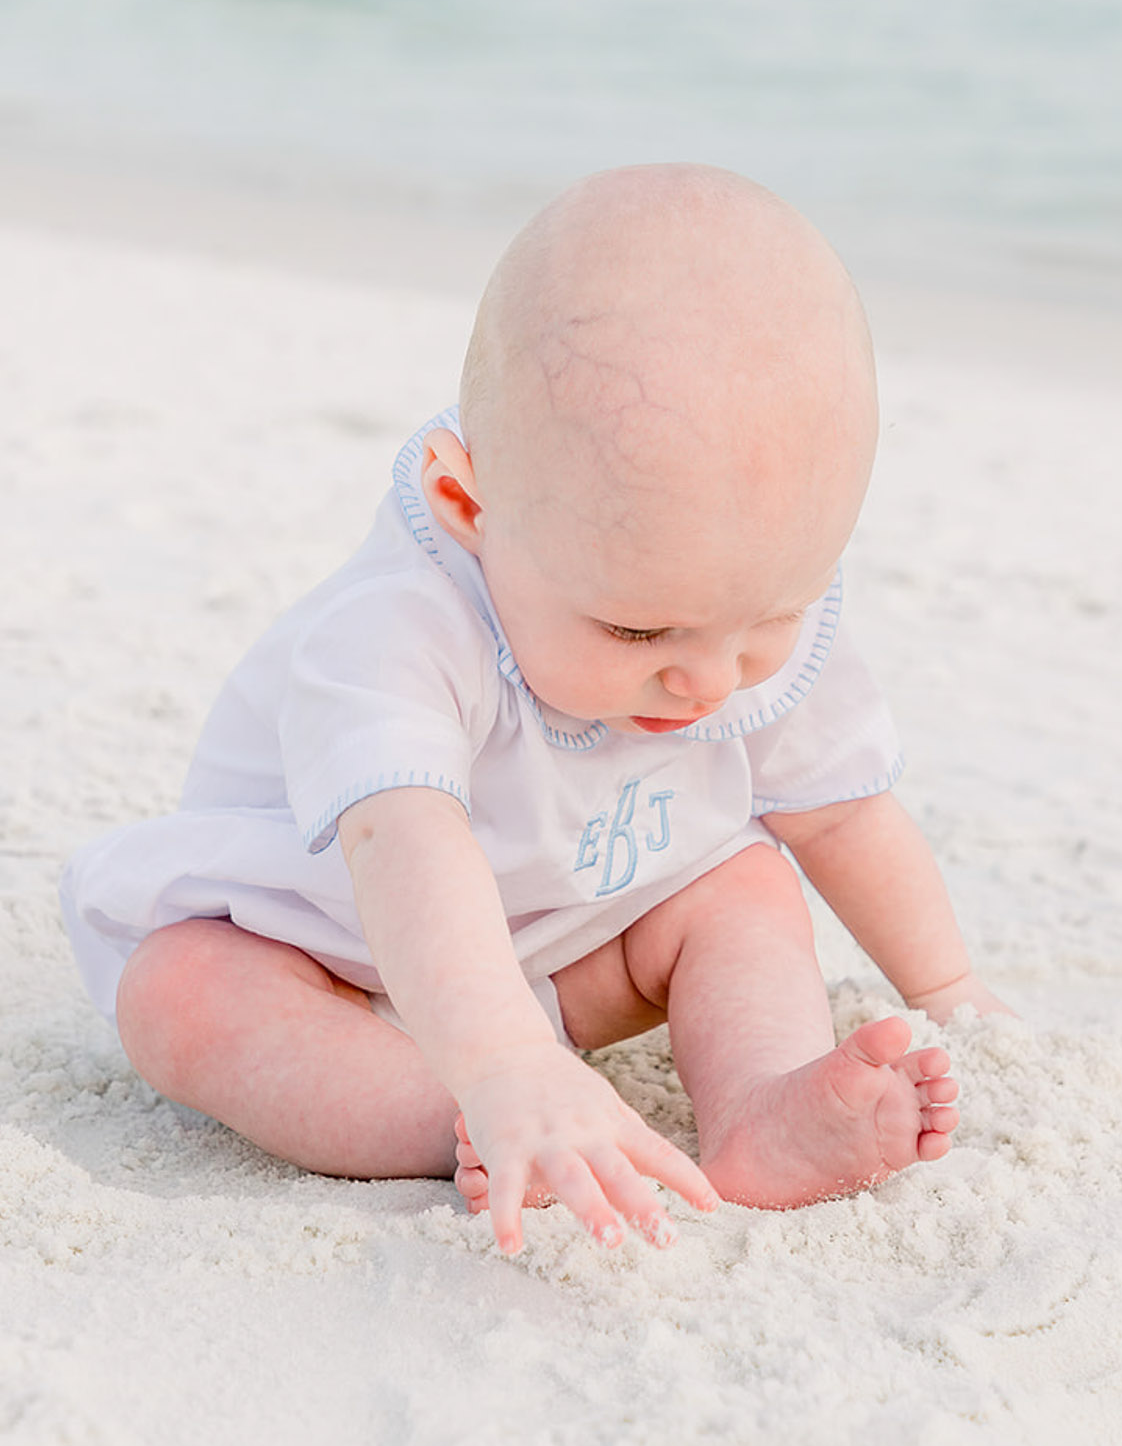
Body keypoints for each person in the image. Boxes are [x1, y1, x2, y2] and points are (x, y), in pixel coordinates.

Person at [62, 165, 1005, 1255]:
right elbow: (405, 844)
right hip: (333, 954)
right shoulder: (395, 629)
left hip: (572, 952)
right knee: (177, 996)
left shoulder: (728, 603)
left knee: (740, 880)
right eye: (639, 634)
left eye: (767, 620)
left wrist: (948, 984)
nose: (707, 682)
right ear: (467, 506)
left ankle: (755, 1102)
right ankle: (466, 1117)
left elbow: (838, 814)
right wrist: (504, 1065)